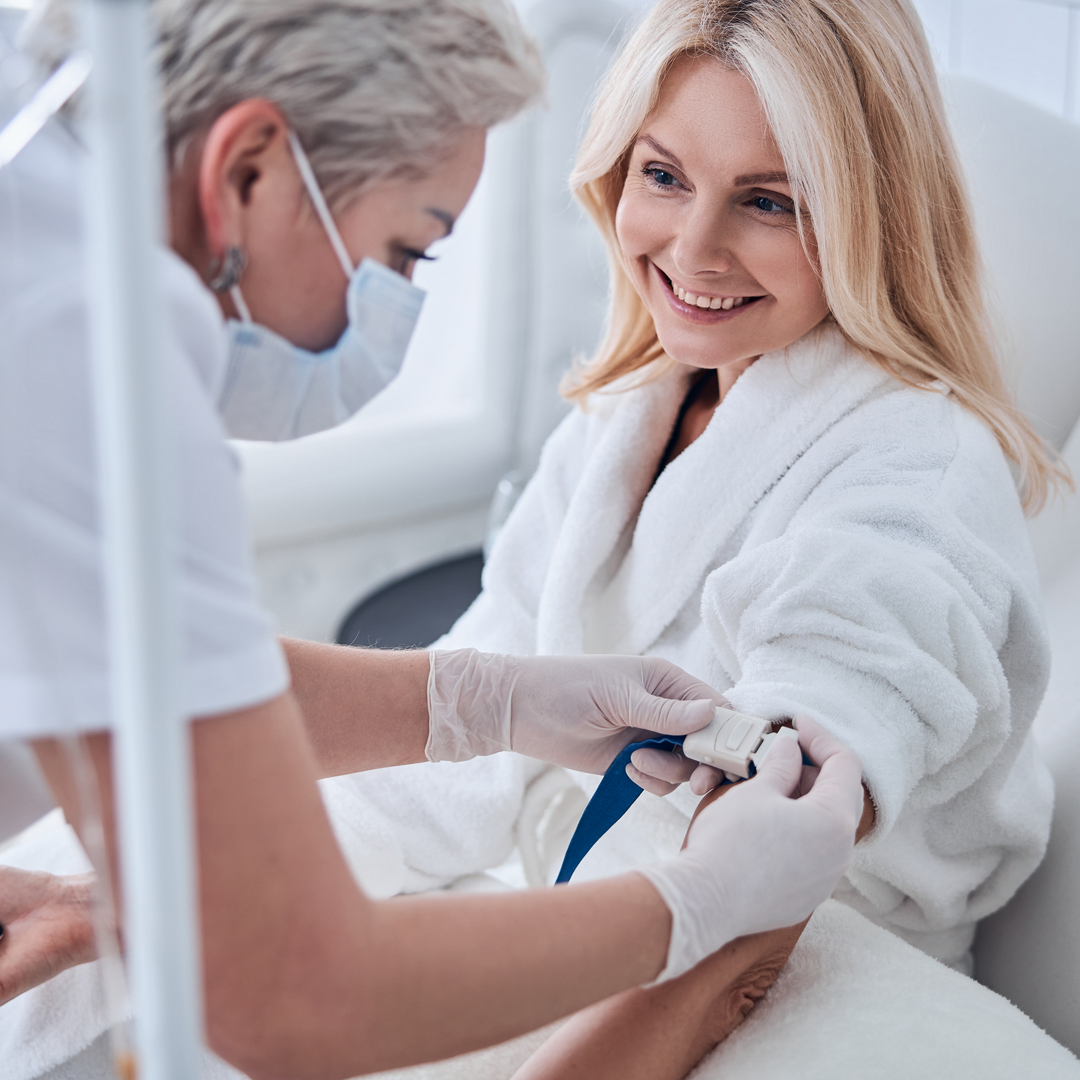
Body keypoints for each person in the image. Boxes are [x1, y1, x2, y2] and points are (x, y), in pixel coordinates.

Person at [0, 1, 866, 1078]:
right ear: (249, 169)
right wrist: (697, 903)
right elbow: (295, 995)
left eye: (769, 199)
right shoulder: (78, 364)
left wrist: (486, 700)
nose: (397, 301)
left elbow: (159, 672)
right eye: (407, 249)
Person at [257, 1, 1064, 1077]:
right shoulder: (630, 414)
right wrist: (196, 901)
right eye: (664, 175)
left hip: (807, 977)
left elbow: (763, 894)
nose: (692, 249)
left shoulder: (915, 479)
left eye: (769, 201)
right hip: (603, 912)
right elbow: (479, 705)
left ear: (872, 216)